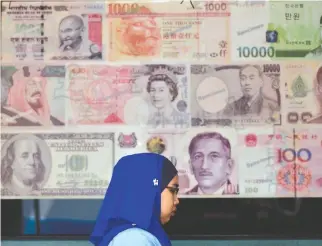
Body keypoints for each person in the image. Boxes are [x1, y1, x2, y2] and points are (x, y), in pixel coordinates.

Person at [90, 153, 179, 246]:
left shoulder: (134, 236)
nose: (177, 201)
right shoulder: (134, 239)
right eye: (173, 190)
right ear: (148, 190)